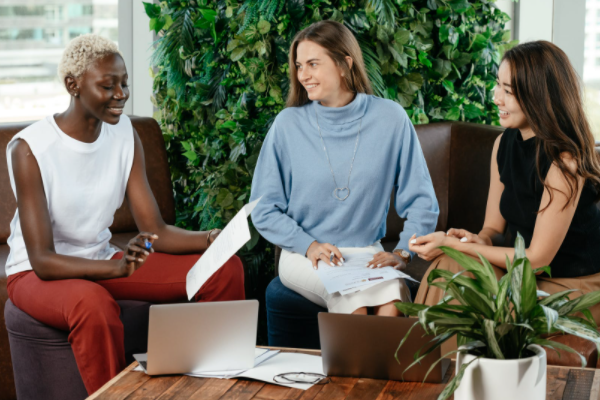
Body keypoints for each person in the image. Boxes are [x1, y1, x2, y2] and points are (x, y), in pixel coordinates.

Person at [5, 34, 245, 395]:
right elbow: (42, 260)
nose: (121, 93)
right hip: (37, 275)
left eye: (124, 83)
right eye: (108, 85)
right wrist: (116, 267)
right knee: (93, 305)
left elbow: (154, 229)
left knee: (223, 269)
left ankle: (215, 387)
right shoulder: (30, 148)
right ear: (73, 85)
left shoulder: (124, 135)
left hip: (103, 259)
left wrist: (214, 239)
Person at [250, 20, 439, 316]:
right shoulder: (288, 125)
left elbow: (422, 201)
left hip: (366, 250)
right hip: (305, 255)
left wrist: (403, 252)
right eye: (299, 66)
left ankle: (373, 365)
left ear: (344, 64)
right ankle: (357, 364)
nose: (303, 75)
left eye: (313, 64)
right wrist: (308, 244)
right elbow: (263, 208)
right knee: (356, 305)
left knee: (393, 302)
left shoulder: (391, 119)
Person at [410, 41, 600, 322]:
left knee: (456, 263)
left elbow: (537, 259)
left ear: (538, 96)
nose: (496, 97)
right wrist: (478, 238)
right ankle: (429, 364)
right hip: (523, 277)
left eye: (508, 91)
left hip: (569, 284)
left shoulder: (564, 163)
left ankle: (449, 363)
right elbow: (493, 228)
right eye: (498, 85)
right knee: (447, 266)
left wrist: (454, 245)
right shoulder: (503, 143)